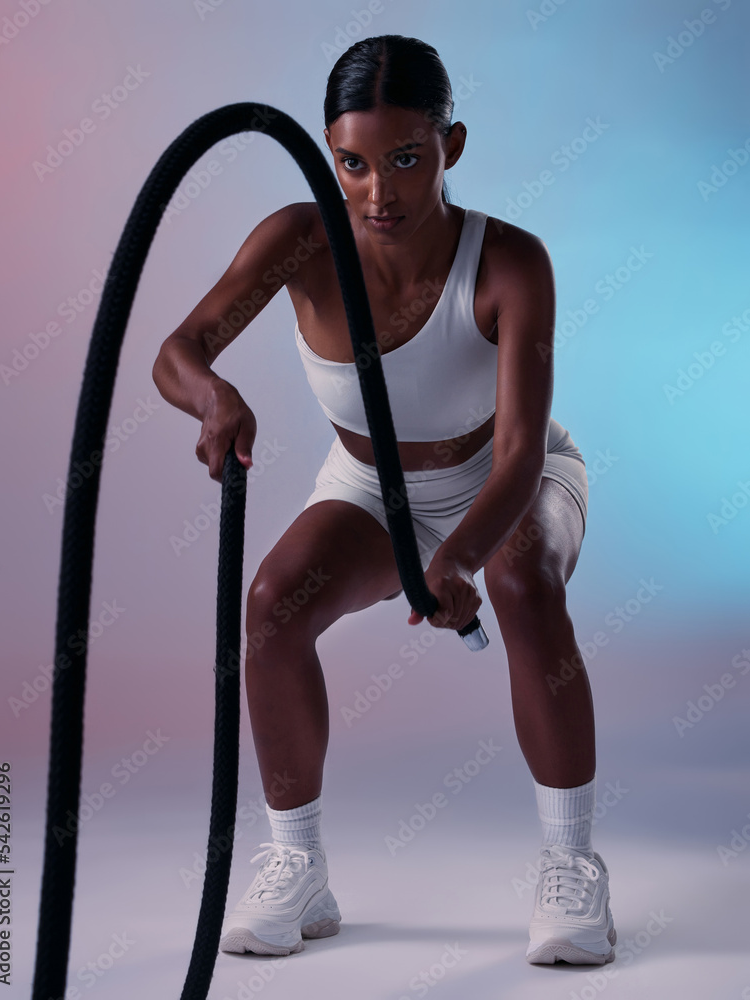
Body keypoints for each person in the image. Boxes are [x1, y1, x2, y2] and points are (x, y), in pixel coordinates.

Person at [152, 33, 615, 966]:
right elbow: (179, 351)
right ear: (329, 154)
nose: (377, 194)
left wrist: (461, 555)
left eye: (405, 159)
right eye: (353, 163)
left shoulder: (509, 262)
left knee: (522, 584)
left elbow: (520, 449)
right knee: (270, 604)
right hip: (370, 488)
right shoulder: (299, 240)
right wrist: (213, 397)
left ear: (452, 145)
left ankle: (572, 868)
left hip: (508, 476)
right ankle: (298, 865)